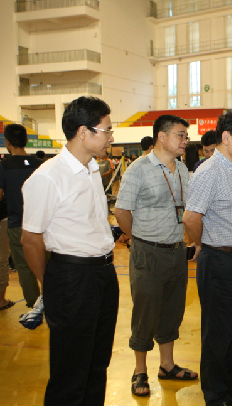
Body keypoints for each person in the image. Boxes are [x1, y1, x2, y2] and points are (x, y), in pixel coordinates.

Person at [21, 96, 118, 406]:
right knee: (70, 372)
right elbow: (30, 239)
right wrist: (48, 282)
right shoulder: (48, 177)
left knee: (97, 364)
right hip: (72, 277)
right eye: (106, 130)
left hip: (103, 273)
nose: (111, 137)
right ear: (83, 132)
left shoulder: (91, 170)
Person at [183, 110, 232, 406]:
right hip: (220, 261)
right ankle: (216, 395)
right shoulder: (210, 171)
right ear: (226, 137)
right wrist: (202, 245)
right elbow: (191, 217)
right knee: (218, 333)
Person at [115, 115, 197, 397]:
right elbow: (121, 211)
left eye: (186, 136)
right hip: (148, 252)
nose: (185, 141)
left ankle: (167, 365)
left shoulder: (182, 169)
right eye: (180, 135)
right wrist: (137, 238)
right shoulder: (139, 169)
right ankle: (140, 370)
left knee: (173, 310)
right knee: (145, 312)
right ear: (162, 136)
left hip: (176, 251)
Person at [0, 124, 44, 308]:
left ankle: (34, 305)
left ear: (7, 142)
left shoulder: (3, 166)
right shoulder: (40, 164)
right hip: (43, 224)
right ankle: (53, 301)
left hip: (18, 224)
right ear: (26, 140)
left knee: (25, 268)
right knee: (47, 265)